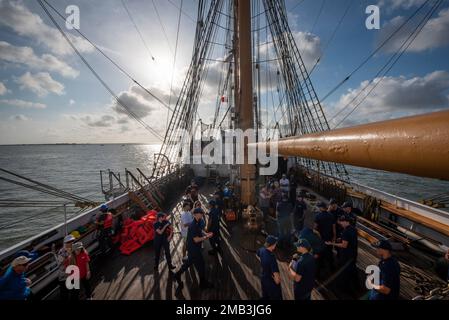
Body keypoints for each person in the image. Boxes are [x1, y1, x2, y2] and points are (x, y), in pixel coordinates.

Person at [174, 208, 214, 290]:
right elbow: (196, 239)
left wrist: (206, 233)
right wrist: (207, 237)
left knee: (188, 263)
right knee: (201, 265)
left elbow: (200, 231)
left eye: (202, 213)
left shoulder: (198, 222)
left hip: (194, 248)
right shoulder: (193, 225)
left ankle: (177, 274)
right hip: (194, 249)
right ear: (195, 214)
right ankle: (203, 284)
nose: (202, 214)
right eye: (200, 213)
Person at [325, 214, 359, 296]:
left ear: (346, 222)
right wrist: (341, 238)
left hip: (346, 256)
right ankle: (357, 287)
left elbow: (344, 245)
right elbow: (350, 240)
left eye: (342, 222)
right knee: (352, 271)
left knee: (343, 272)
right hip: (353, 254)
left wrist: (332, 243)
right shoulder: (353, 229)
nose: (340, 223)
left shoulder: (346, 231)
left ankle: (344, 290)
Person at [256, 235, 282, 300]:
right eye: (275, 244)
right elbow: (277, 280)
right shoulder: (272, 258)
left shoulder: (261, 250)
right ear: (273, 245)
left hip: (263, 279)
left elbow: (258, 254)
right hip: (271, 283)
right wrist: (278, 279)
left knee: (265, 297)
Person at [314, 201, 336, 274]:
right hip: (329, 239)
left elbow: (315, 228)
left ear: (321, 208)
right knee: (329, 255)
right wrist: (334, 238)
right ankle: (332, 270)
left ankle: (318, 273)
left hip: (321, 239)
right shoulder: (331, 215)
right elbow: (334, 228)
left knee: (319, 256)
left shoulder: (318, 216)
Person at [57, 234, 77, 300]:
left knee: (74, 291)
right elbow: (61, 263)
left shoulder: (73, 248)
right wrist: (69, 255)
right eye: (69, 242)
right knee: (64, 294)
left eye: (72, 241)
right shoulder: (61, 252)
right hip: (64, 276)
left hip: (73, 273)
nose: (71, 243)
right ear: (65, 243)